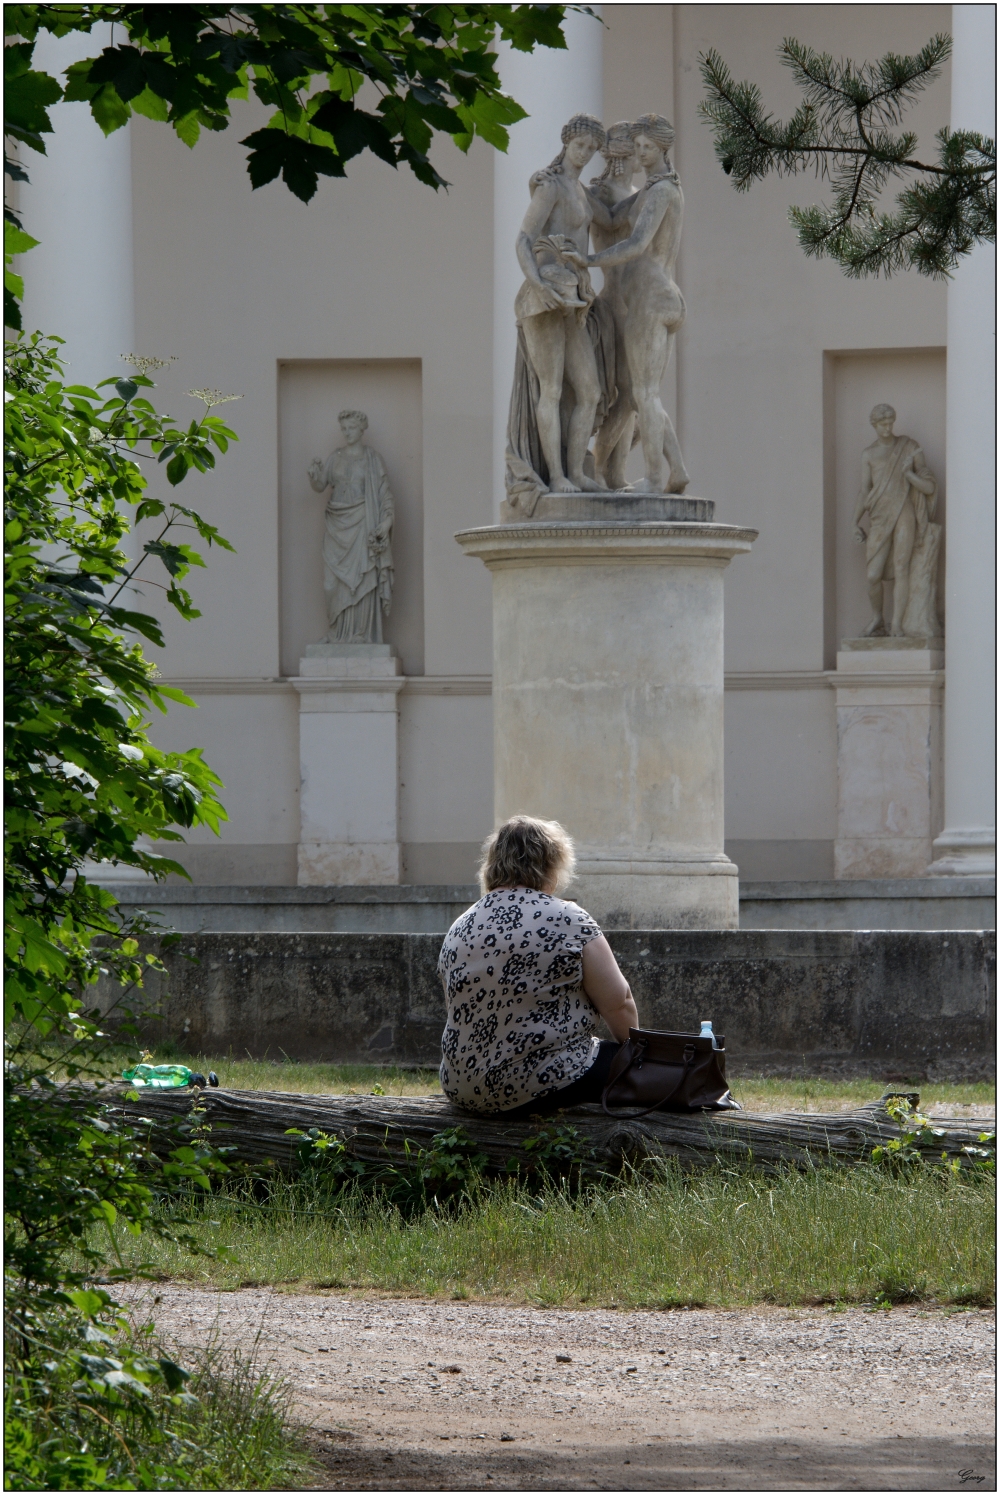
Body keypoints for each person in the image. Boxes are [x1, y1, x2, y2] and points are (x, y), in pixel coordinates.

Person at [438, 815, 638, 1117]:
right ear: (552, 865)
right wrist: (637, 1052)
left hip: (461, 1086)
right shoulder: (568, 919)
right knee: (641, 1068)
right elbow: (619, 1003)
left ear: (492, 864)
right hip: (541, 1081)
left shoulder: (461, 925)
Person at [584, 113, 690, 494]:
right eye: (638, 147)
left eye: (647, 147)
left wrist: (588, 261)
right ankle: (676, 469)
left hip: (648, 296)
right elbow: (611, 214)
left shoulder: (660, 191)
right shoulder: (656, 187)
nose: (641, 155)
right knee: (639, 394)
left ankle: (656, 479)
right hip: (660, 296)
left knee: (642, 394)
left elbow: (637, 243)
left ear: (662, 147)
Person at [506, 115, 609, 502]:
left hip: (574, 301)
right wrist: (538, 284)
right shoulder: (549, 186)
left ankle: (576, 473)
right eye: (580, 145)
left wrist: (644, 177)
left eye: (592, 149)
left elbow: (615, 218)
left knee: (590, 391)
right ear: (566, 143)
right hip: (544, 298)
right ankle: (556, 476)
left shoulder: (580, 191)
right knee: (549, 389)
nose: (584, 154)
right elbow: (522, 240)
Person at [307, 409, 394, 643]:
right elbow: (321, 484)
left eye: (352, 428)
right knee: (330, 584)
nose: (347, 432)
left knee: (363, 579)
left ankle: (360, 634)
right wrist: (314, 477)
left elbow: (385, 497)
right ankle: (336, 631)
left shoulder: (372, 459)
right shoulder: (335, 457)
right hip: (337, 526)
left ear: (362, 429)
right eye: (344, 429)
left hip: (363, 525)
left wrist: (385, 524)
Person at [853, 403, 938, 637]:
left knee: (902, 567)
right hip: (879, 515)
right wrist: (854, 522)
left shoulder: (909, 447)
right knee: (873, 575)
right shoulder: (868, 454)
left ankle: (897, 624)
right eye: (882, 424)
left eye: (890, 423)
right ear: (874, 425)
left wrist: (909, 474)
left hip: (904, 511)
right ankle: (878, 618)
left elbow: (929, 486)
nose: (887, 428)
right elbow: (864, 492)